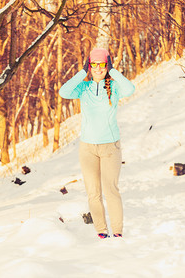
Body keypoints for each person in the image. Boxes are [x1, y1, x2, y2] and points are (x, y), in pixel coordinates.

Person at [59, 48, 135, 239]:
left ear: (107, 65)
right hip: (88, 148)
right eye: (94, 64)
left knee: (111, 190)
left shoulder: (115, 87)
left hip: (110, 147)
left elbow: (130, 89)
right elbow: (64, 92)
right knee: (93, 193)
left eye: (102, 64)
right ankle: (101, 230)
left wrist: (114, 70)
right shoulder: (83, 88)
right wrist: (82, 73)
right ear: (89, 65)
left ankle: (117, 230)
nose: (98, 68)